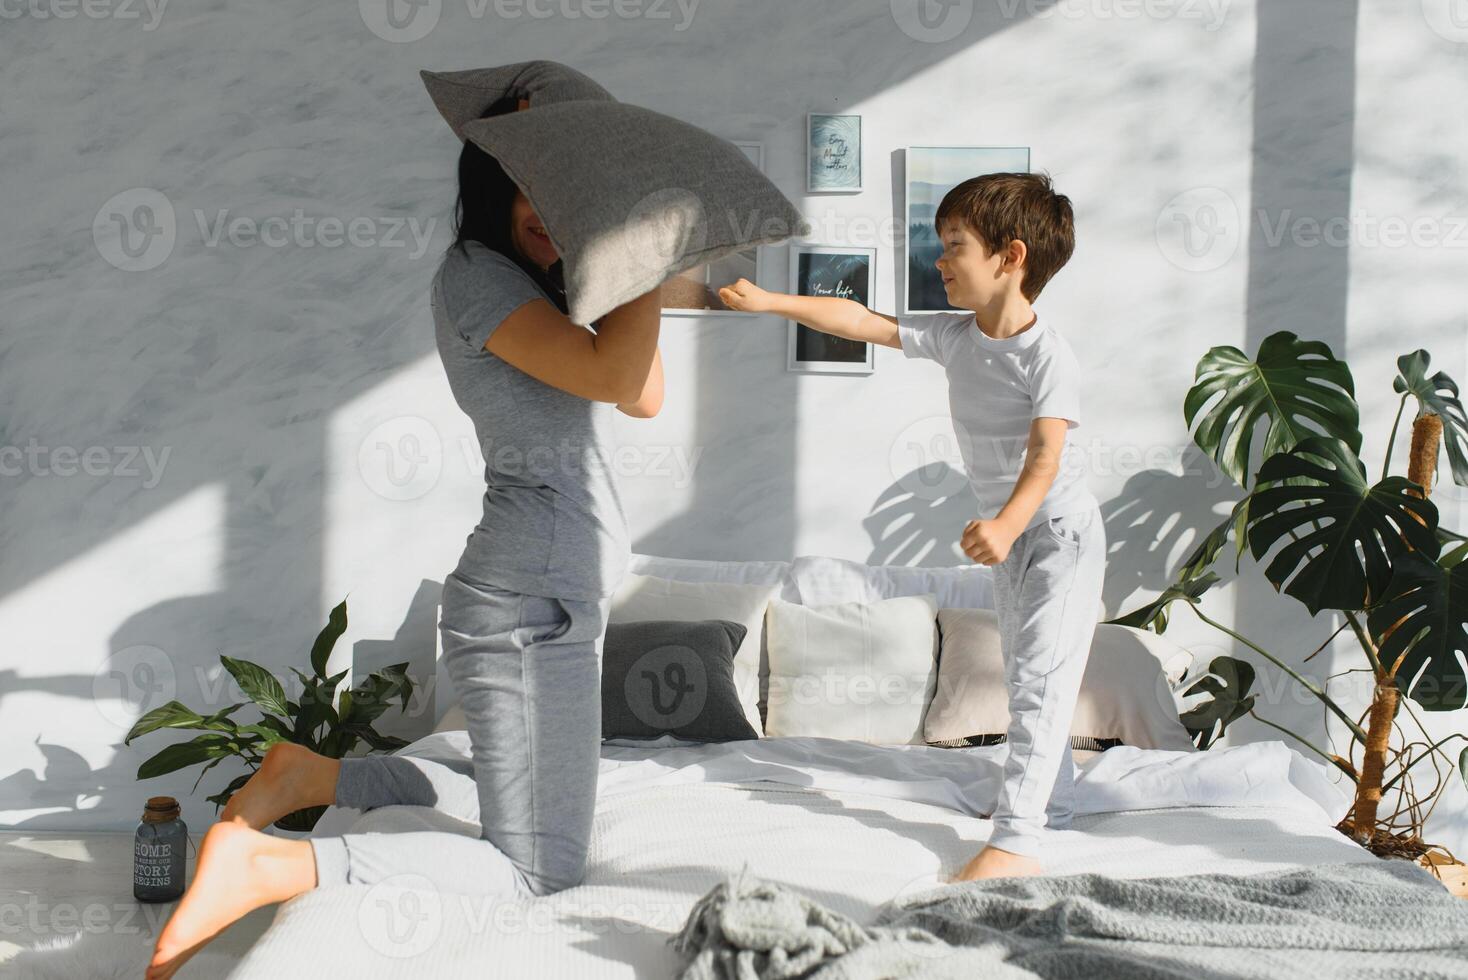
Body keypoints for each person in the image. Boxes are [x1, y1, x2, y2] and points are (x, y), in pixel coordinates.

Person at [146, 96, 664, 978]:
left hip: (541, 594)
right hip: (530, 604)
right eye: (528, 188)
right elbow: (618, 373)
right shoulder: (476, 277)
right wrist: (652, 251)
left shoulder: (539, 290)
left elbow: (642, 392)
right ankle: (278, 864)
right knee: (539, 869)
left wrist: (616, 264)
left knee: (478, 784)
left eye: (567, 191)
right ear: (489, 186)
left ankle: (308, 776)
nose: (548, 210)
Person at [719, 172, 1104, 881]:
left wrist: (1007, 522)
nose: (940, 260)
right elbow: (864, 322)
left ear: (1010, 257)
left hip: (1057, 537)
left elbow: (1048, 455)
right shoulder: (958, 338)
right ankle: (1057, 805)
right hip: (1012, 540)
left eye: (954, 245)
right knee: (1025, 675)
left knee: (1045, 676)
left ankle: (1016, 842)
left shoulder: (1048, 355)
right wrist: (770, 300)